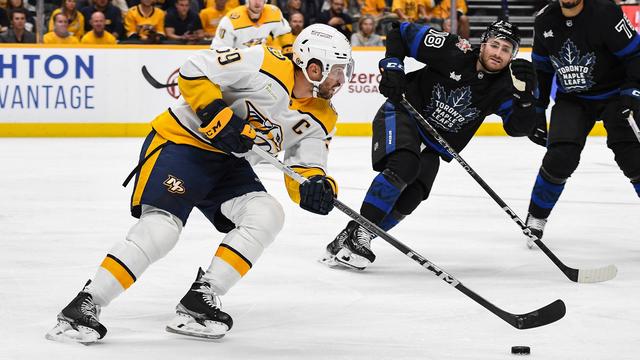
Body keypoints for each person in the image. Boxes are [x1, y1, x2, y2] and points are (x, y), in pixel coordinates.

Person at [45, 23, 353, 344]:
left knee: (267, 214)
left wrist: (316, 186)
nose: (343, 80)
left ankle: (200, 301)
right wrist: (216, 113)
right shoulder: (265, 62)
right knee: (162, 229)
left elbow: (306, 168)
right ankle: (85, 304)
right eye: (339, 71)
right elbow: (194, 70)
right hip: (183, 142)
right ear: (315, 67)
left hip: (228, 164)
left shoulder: (322, 116)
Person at [321, 20, 538, 270]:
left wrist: (524, 99)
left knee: (413, 196)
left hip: (434, 144)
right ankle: (359, 235)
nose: (498, 53)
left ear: (513, 55)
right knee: (405, 165)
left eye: (506, 49)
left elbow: (517, 128)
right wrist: (393, 68)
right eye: (495, 45)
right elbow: (399, 32)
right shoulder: (454, 48)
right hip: (403, 113)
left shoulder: (506, 85)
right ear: (484, 43)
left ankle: (355, 234)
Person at [523, 0, 640, 247]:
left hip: (616, 95)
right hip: (573, 99)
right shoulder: (545, 20)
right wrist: (537, 108)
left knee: (633, 158)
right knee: (560, 156)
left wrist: (632, 92)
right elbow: (541, 69)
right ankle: (536, 217)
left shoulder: (605, 12)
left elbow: (636, 55)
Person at [210, 0, 292, 53]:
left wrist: (287, 49)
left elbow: (284, 32)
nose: (257, 2)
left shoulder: (274, 12)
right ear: (247, 1)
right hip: (237, 62)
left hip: (260, 61)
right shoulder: (230, 20)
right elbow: (218, 49)